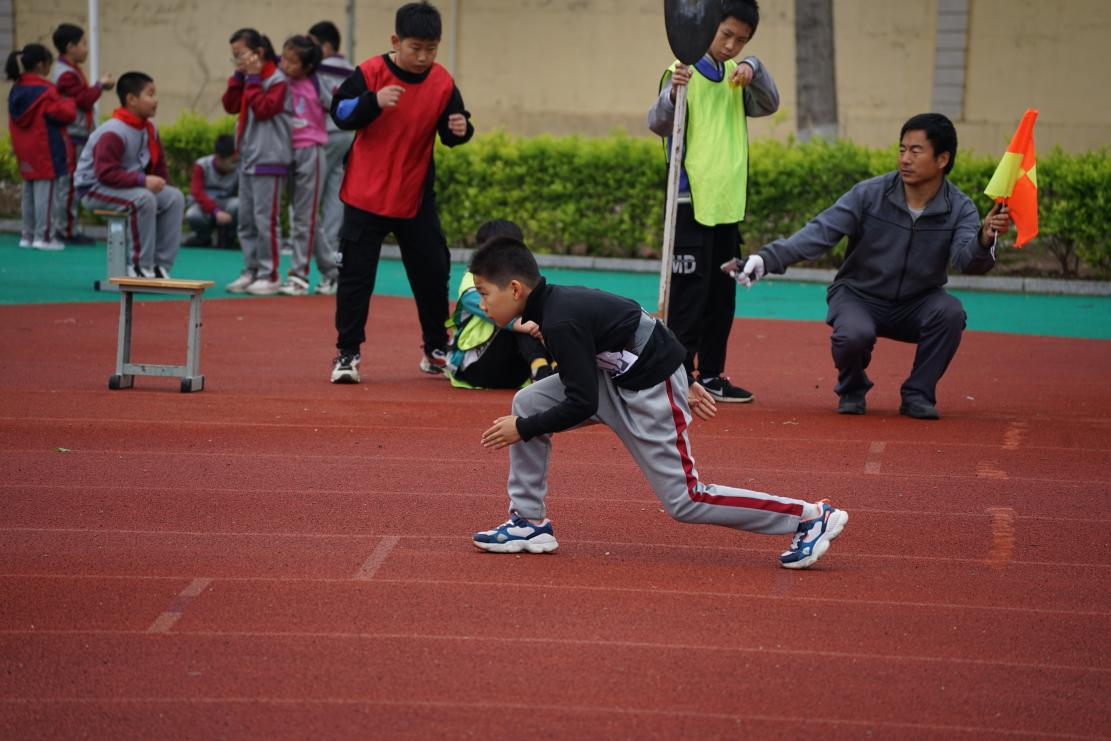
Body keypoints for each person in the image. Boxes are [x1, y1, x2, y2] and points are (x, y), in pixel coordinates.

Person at [467, 236, 848, 569]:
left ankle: (808, 517)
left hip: (650, 393)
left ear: (515, 289)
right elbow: (637, 317)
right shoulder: (556, 308)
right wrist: (686, 372)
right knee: (529, 401)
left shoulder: (561, 319)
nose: (481, 303)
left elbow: (582, 401)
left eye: (484, 293)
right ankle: (529, 522)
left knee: (687, 501)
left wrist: (523, 429)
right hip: (619, 382)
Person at [726, 112, 1013, 420]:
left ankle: (918, 393)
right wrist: (765, 259)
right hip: (858, 296)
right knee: (852, 335)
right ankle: (851, 388)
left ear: (942, 158)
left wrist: (983, 239)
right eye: (902, 149)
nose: (905, 159)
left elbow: (965, 262)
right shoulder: (869, 194)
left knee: (951, 312)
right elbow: (819, 233)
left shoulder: (960, 207)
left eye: (916, 151)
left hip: (917, 303)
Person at [328, 1, 474, 384]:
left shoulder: (442, 82)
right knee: (357, 278)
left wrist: (461, 129)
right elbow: (339, 113)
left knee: (433, 272)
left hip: (414, 197)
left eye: (432, 49)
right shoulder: (370, 73)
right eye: (416, 48)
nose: (424, 57)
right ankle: (347, 354)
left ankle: (435, 349)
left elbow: (452, 127)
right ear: (396, 41)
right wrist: (371, 101)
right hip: (364, 195)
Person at [647, 0, 778, 404]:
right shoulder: (678, 72)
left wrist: (754, 66)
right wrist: (673, 94)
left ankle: (714, 375)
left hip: (727, 206)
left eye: (742, 40)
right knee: (689, 294)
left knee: (723, 296)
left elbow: (770, 103)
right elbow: (657, 123)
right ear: (707, 27)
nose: (731, 45)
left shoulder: (739, 79)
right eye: (726, 35)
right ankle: (680, 375)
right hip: (690, 202)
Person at [75, 71, 184, 278]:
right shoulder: (113, 132)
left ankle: (159, 267)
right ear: (131, 99)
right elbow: (105, 173)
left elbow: (159, 166)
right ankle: (138, 266)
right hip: (93, 187)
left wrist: (161, 184)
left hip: (127, 186)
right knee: (143, 199)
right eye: (150, 94)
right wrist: (143, 181)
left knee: (174, 198)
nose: (156, 100)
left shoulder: (150, 128)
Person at [222, 28, 292, 296]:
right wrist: (240, 77)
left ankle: (269, 274)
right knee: (247, 220)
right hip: (249, 158)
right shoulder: (247, 78)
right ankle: (250, 270)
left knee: (266, 220)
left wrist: (251, 78)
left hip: (270, 159)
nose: (237, 60)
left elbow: (263, 110)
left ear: (259, 52)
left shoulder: (277, 79)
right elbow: (230, 105)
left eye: (240, 54)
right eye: (234, 56)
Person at [446, 219, 553, 389]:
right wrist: (533, 325)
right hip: (476, 368)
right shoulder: (471, 282)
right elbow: (502, 316)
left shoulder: (521, 279)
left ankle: (550, 369)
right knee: (519, 317)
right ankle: (541, 369)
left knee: (546, 316)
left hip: (515, 372)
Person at [277, 34, 338, 297]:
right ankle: (334, 273)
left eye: (292, 62)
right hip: (285, 153)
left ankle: (299, 276)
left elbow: (338, 106)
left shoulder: (318, 83)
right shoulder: (279, 81)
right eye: (284, 57)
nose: (285, 64)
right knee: (307, 218)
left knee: (304, 219)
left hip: (310, 152)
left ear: (307, 66)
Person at [7, 44, 77, 251]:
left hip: (25, 148)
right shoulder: (46, 90)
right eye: (48, 64)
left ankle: (27, 235)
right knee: (46, 193)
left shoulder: (17, 88)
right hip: (45, 146)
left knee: (28, 192)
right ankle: (44, 236)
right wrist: (70, 102)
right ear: (40, 65)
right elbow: (64, 114)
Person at [51, 23, 113, 245]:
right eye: (84, 44)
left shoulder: (69, 69)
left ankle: (67, 227)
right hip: (72, 135)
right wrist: (100, 85)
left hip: (77, 134)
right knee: (69, 183)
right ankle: (65, 230)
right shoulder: (66, 74)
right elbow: (84, 100)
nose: (86, 49)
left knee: (71, 182)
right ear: (70, 46)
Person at [308, 20, 355, 294]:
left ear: (324, 45)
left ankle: (324, 265)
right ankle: (334, 261)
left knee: (308, 203)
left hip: (322, 134)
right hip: (346, 135)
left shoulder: (316, 69)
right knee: (335, 200)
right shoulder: (350, 68)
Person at [184, 134, 239, 248]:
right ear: (218, 158)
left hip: (227, 205)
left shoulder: (239, 167)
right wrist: (216, 211)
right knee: (192, 214)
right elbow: (197, 192)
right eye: (231, 162)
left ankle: (229, 238)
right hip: (205, 207)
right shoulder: (202, 165)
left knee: (239, 205)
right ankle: (203, 238)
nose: (234, 165)